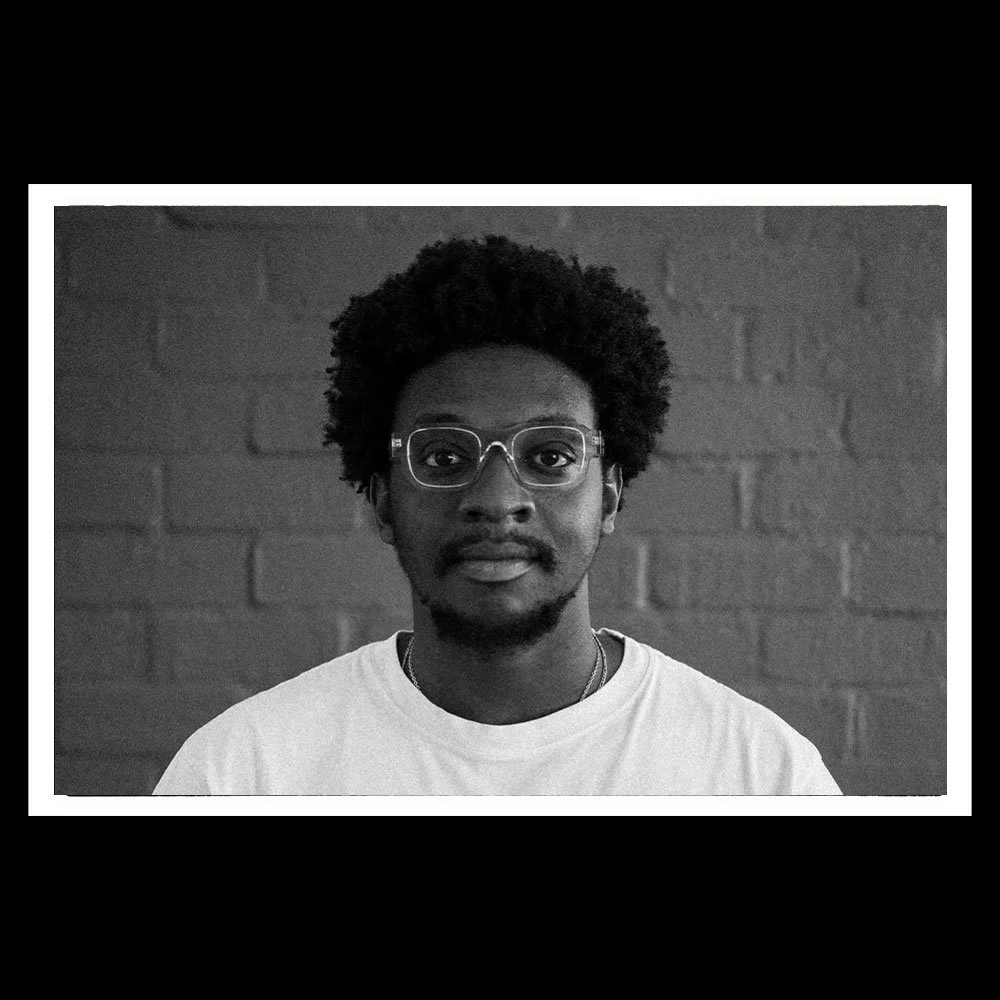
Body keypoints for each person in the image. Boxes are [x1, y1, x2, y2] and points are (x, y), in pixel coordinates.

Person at [154, 235, 841, 795]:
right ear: (383, 497)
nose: (494, 498)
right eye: (445, 458)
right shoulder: (242, 774)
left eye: (548, 456)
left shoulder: (760, 778)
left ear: (610, 494)